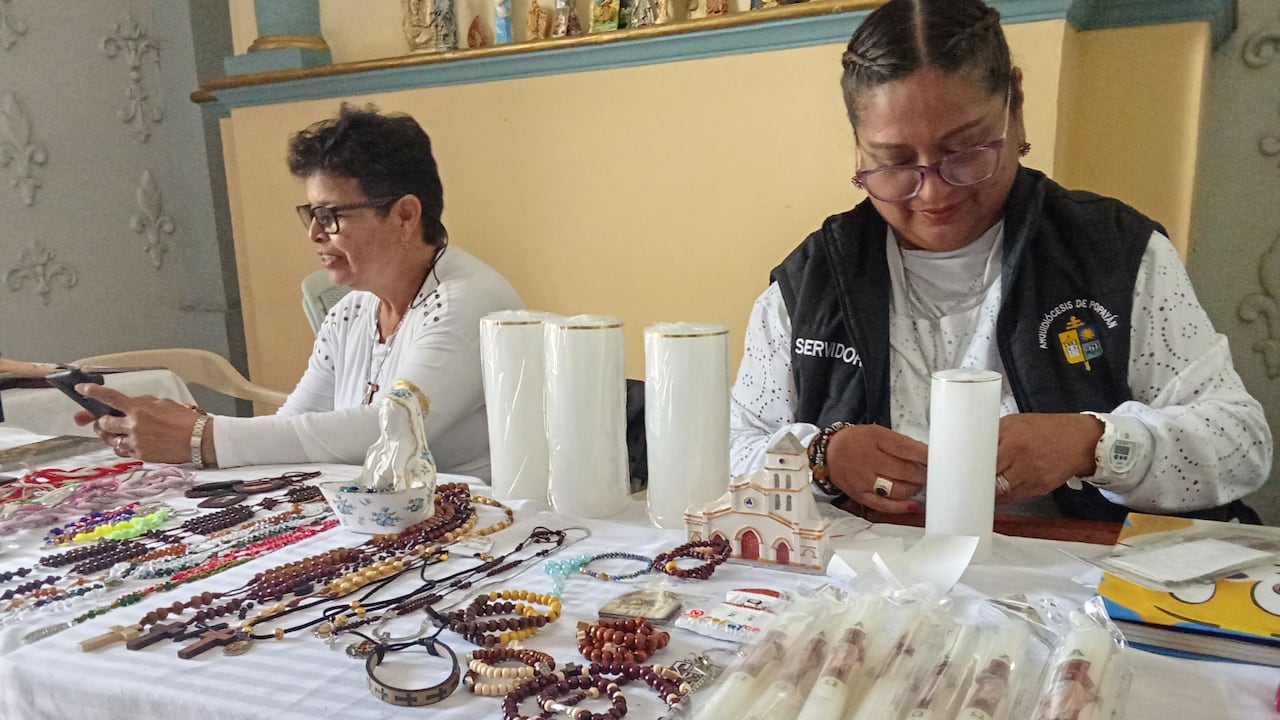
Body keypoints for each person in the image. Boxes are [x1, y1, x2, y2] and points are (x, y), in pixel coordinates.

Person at [729, 0, 1272, 522]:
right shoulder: (812, 282)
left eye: (965, 151)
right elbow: (729, 449)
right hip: (877, 572)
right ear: (859, 146)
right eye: (894, 162)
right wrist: (821, 458)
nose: (933, 192)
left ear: (1016, 108)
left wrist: (1092, 445)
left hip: (1078, 568)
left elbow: (1241, 444)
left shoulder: (1113, 253)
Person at [77, 105, 524, 482]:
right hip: (376, 518)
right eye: (311, 214)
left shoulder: (470, 302)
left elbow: (390, 428)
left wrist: (203, 437)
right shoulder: (352, 311)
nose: (314, 233)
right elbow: (293, 429)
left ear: (405, 215)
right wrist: (177, 430)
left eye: (330, 216)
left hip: (474, 526)